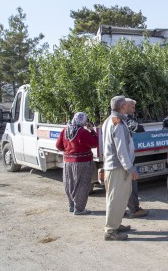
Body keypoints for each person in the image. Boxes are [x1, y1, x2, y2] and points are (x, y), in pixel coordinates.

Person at [102, 95, 138, 241]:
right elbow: (121, 150)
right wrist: (130, 168)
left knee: (117, 198)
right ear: (122, 107)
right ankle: (111, 230)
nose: (128, 107)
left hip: (112, 166)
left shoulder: (109, 120)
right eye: (127, 105)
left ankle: (115, 225)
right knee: (116, 199)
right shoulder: (118, 123)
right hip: (118, 168)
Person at [55, 112, 98, 216]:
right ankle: (79, 209)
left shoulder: (65, 130)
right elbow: (94, 143)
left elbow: (58, 146)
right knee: (82, 185)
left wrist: (67, 150)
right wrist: (92, 131)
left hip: (67, 162)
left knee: (69, 183)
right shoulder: (82, 132)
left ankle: (71, 206)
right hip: (82, 162)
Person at [124, 98, 149, 219]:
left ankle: (121, 210)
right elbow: (139, 128)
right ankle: (134, 209)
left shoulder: (112, 120)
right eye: (132, 107)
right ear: (126, 106)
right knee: (131, 185)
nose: (134, 110)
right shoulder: (124, 120)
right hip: (126, 160)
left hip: (122, 160)